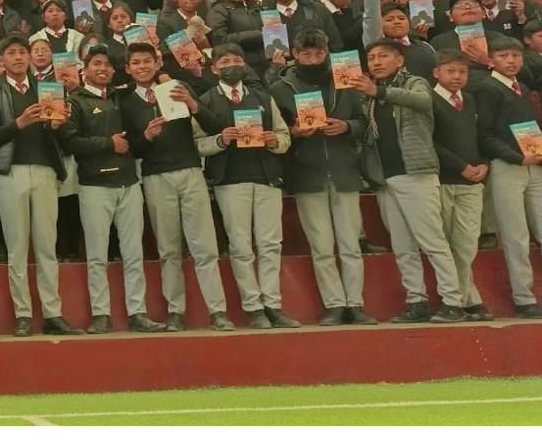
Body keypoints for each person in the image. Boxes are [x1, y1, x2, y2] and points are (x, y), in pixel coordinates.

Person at [350, 38, 467, 323]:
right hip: (384, 177)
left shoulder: (415, 82)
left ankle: (453, 302)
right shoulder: (368, 94)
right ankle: (416, 301)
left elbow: (424, 101)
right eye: (372, 58)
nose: (376, 62)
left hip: (416, 172)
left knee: (432, 240)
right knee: (403, 246)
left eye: (383, 56)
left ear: (400, 60)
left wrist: (378, 91)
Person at [119, 43, 235, 331]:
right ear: (128, 69)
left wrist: (193, 105)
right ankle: (175, 311)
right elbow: (133, 149)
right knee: (168, 249)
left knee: (205, 246)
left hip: (190, 171)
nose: (143, 67)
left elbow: (215, 126)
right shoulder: (126, 102)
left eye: (147, 61)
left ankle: (218, 311)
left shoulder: (176, 88)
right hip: (155, 177)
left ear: (157, 63)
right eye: (136, 63)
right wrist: (147, 136)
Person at [269, 30, 375, 326]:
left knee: (351, 244)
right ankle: (335, 305)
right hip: (307, 172)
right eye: (306, 54)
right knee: (321, 246)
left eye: (319, 54)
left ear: (327, 51)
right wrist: (294, 132)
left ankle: (355, 304)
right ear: (294, 54)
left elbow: (364, 122)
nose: (314, 60)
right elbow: (278, 130)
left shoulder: (346, 80)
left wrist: (347, 127)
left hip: (344, 170)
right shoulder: (280, 87)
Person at [57, 45, 165, 334]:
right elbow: (70, 142)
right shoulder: (74, 102)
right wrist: (109, 143)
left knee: (133, 253)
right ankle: (101, 314)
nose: (102, 69)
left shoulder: (122, 98)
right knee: (97, 255)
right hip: (94, 186)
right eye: (96, 64)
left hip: (129, 183)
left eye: (106, 64)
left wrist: (146, 135)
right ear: (85, 70)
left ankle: (138, 312)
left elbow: (134, 142)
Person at [0, 35, 80, 336]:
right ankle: (23, 314)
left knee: (47, 246)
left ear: (31, 57)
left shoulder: (47, 89)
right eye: (11, 53)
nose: (18, 57)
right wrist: (19, 123)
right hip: (12, 173)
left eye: (22, 52)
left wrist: (58, 124)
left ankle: (53, 313)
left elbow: (61, 137)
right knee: (17, 247)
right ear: (2, 60)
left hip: (45, 170)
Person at [193, 45, 298, 330]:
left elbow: (284, 135)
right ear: (214, 68)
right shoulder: (205, 101)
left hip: (267, 178)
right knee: (240, 247)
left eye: (238, 60)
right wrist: (220, 140)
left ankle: (273, 305)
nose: (233, 65)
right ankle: (253, 307)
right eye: (225, 61)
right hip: (230, 181)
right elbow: (196, 144)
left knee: (270, 244)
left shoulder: (263, 97)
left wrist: (275, 142)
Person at [468, 35, 542, 319]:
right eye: (503, 56)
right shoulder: (487, 88)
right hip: (507, 166)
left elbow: (529, 128)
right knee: (516, 235)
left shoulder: (523, 87)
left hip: (533, 164)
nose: (510, 61)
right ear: (491, 60)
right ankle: (524, 298)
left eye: (515, 56)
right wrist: (516, 157)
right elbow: (484, 135)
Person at [428, 50, 494, 321]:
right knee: (445, 243)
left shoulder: (469, 100)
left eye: (462, 72)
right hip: (443, 180)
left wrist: (483, 164)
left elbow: (480, 137)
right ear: (436, 73)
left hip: (472, 182)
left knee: (467, 243)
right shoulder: (429, 100)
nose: (457, 76)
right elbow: (429, 141)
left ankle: (464, 297)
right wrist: (461, 166)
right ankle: (461, 299)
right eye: (451, 71)